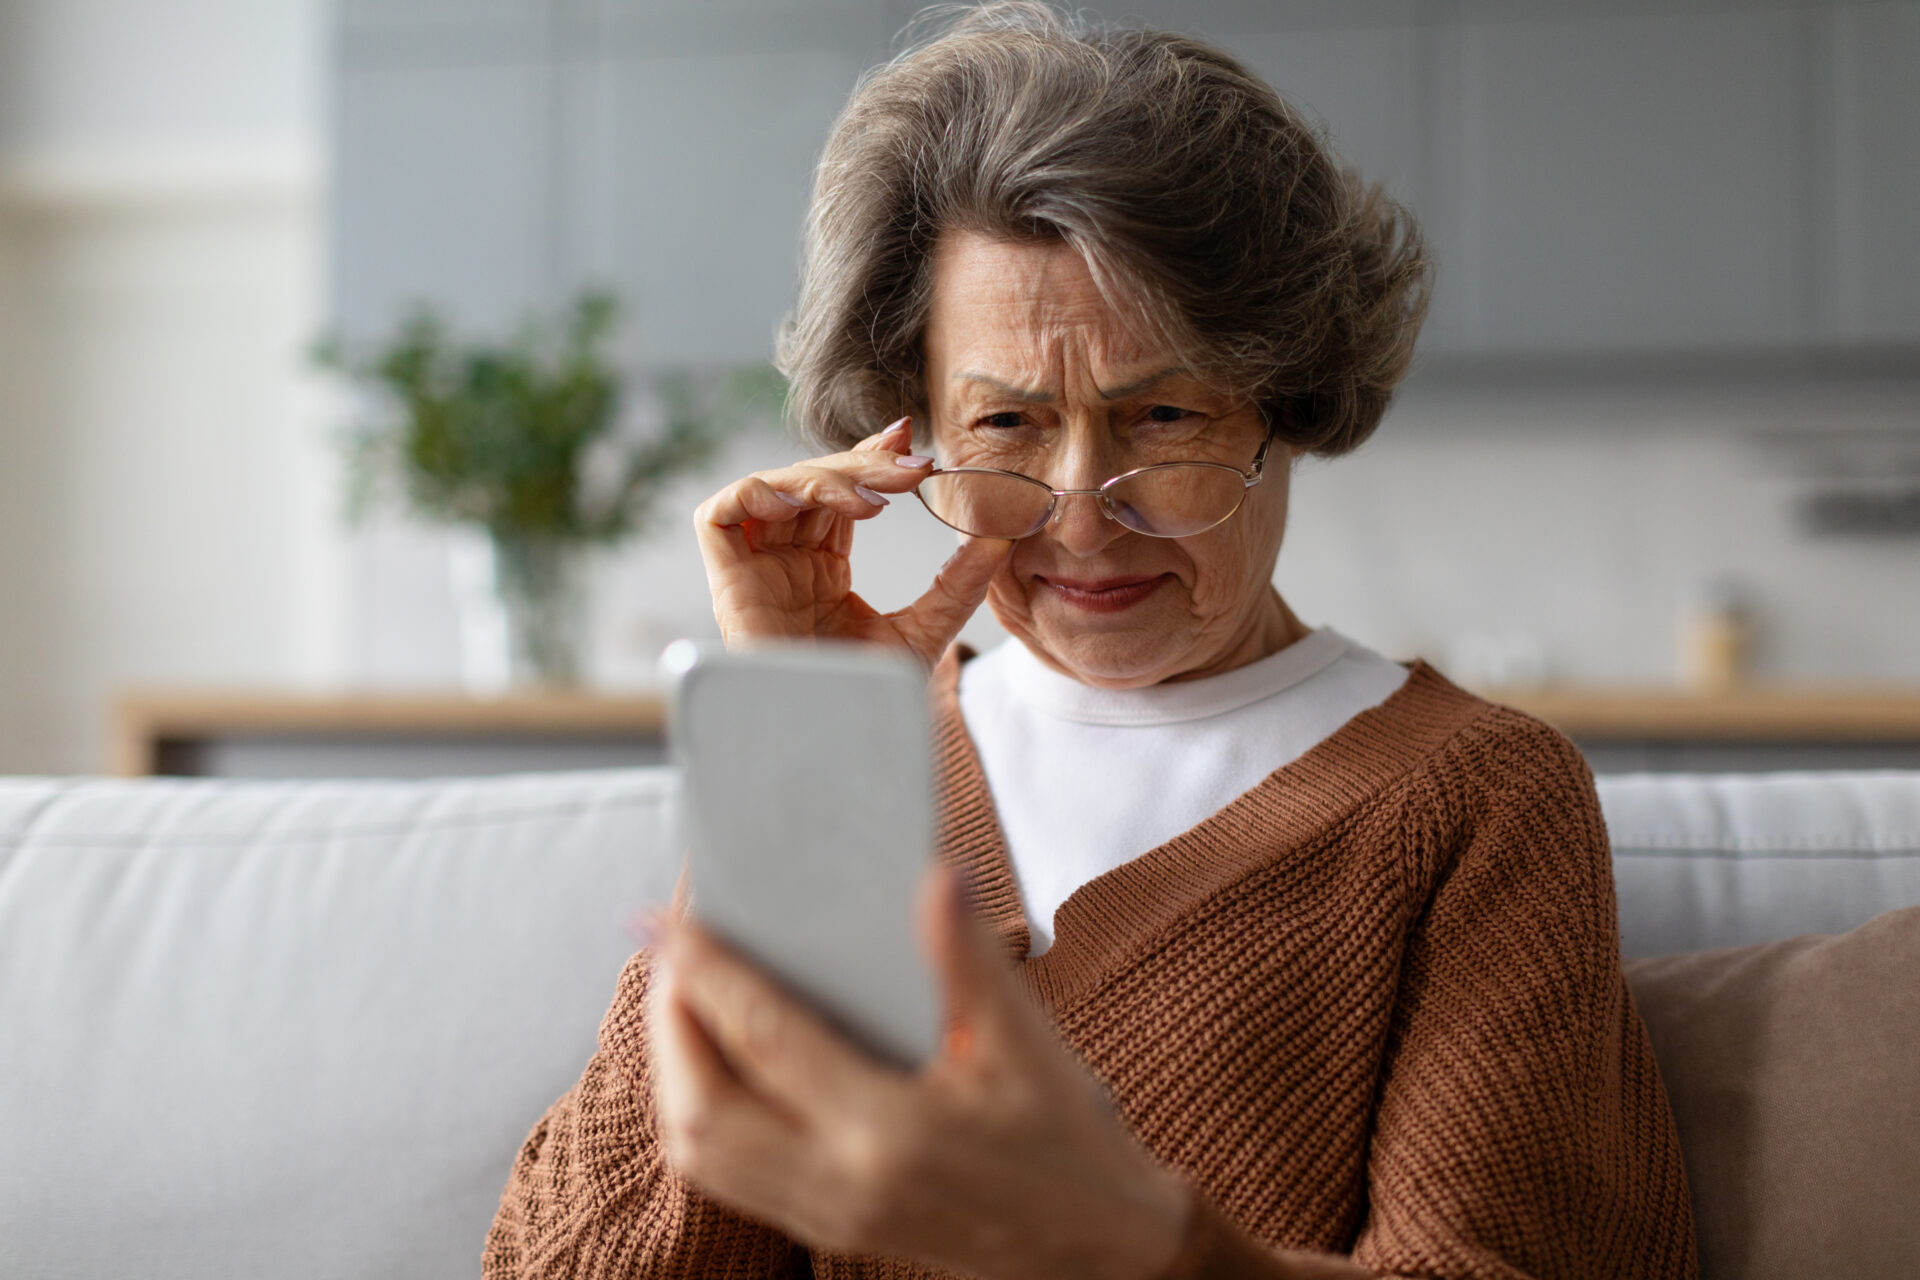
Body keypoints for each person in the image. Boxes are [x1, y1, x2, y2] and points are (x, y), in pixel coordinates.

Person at [483, 5, 1698, 1278]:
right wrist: (786, 754)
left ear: (1285, 406)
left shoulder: (1474, 796)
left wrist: (1134, 1248)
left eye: (1161, 414)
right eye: (1006, 421)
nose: (1078, 515)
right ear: (911, 438)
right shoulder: (857, 772)